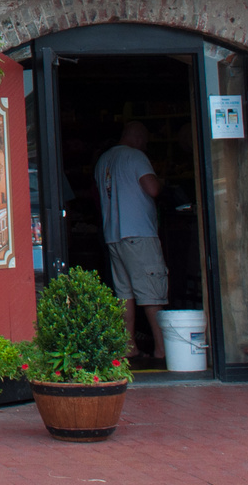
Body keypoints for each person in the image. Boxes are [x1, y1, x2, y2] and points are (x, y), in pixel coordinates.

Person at [93, 120, 165, 361]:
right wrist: (162, 181)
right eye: (144, 140)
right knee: (152, 292)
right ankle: (162, 350)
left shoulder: (103, 160)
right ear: (136, 137)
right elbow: (152, 188)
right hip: (139, 233)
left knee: (125, 294)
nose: (145, 145)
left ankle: (128, 346)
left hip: (113, 235)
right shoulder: (135, 157)